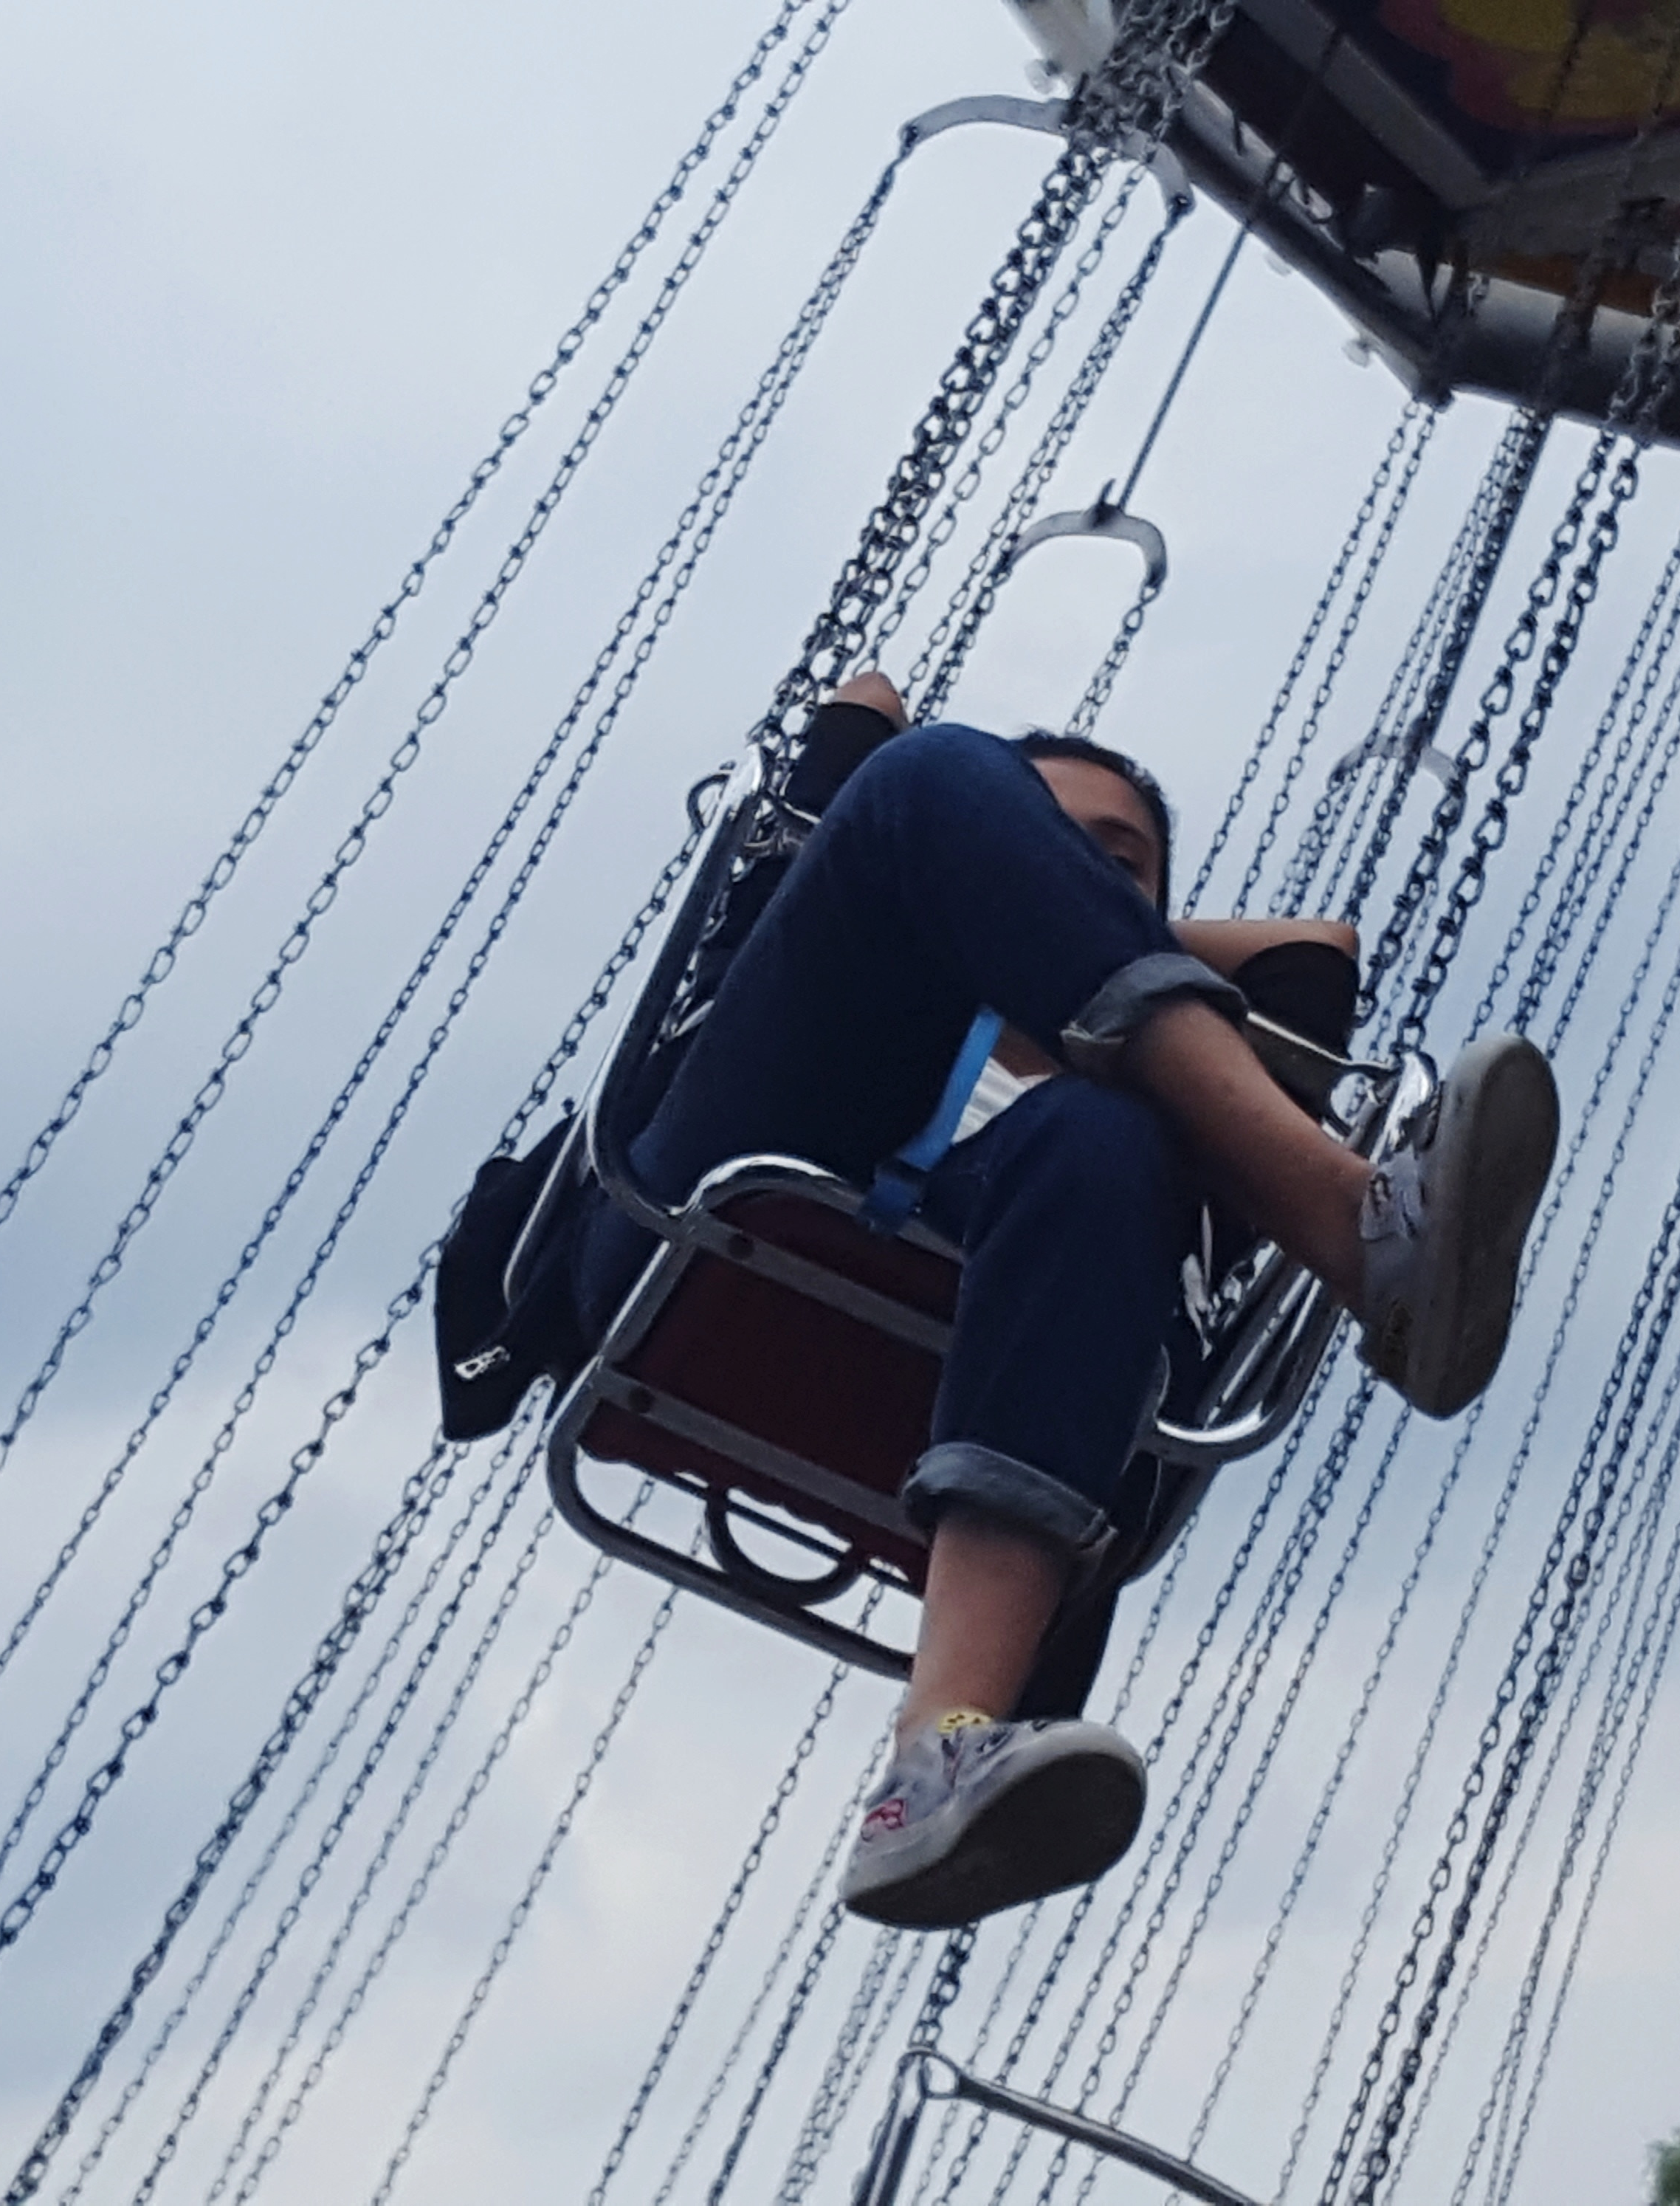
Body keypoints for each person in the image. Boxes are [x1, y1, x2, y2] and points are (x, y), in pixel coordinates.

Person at [537, 670, 1561, 1931]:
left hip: (1046, 1252)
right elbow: (865, 726)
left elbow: (1315, 954)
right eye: (1035, 842)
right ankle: (1357, 1237)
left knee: (1102, 1140)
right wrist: (970, 877)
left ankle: (935, 1763)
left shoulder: (1166, 1134)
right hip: (724, 1197)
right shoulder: (878, 943)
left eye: (1112, 867)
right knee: (922, 778)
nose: (1051, 867)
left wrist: (1081, 926)